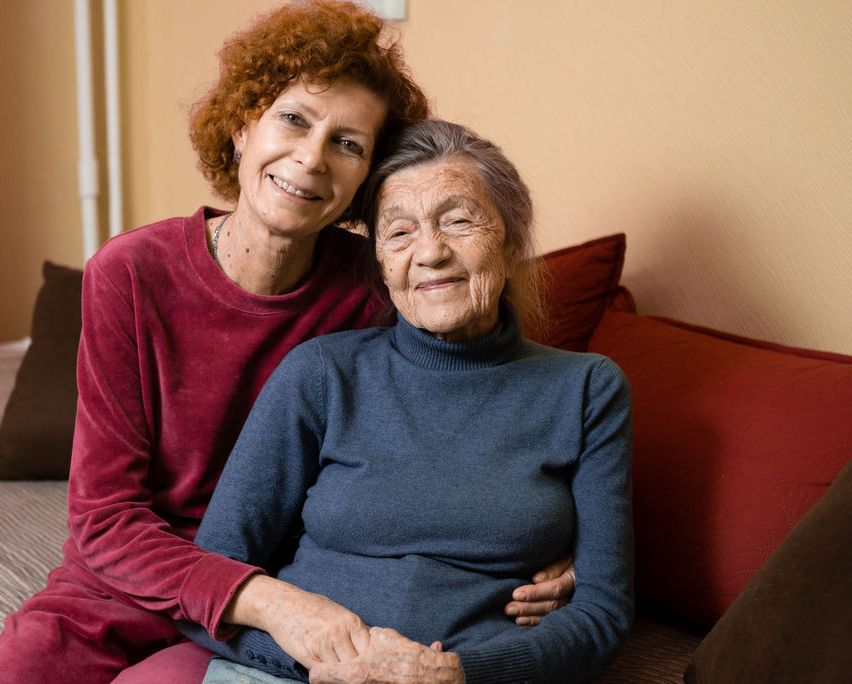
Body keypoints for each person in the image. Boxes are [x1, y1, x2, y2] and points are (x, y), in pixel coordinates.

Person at [0, 3, 572, 683]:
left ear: (365, 181)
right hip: (132, 584)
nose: (311, 159)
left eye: (348, 144)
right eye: (293, 119)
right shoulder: (130, 272)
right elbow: (104, 521)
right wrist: (273, 604)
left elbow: (479, 398)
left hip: (295, 572)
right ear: (244, 125)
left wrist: (567, 545)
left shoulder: (378, 291)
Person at [182, 119, 634, 684]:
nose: (430, 253)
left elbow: (602, 616)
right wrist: (321, 664)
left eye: (458, 221)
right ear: (379, 259)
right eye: (398, 232)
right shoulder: (322, 373)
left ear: (513, 237)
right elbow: (203, 584)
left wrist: (451, 674)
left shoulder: (587, 388)